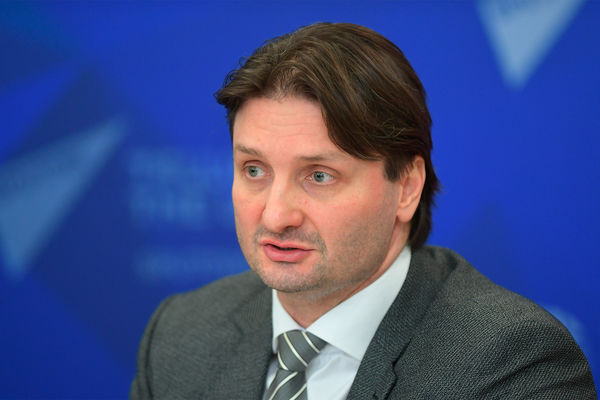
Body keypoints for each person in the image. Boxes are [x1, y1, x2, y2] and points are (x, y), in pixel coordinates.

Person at [130, 22, 596, 399]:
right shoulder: (180, 333)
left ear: (406, 187)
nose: (275, 217)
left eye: (319, 176)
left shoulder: (511, 363)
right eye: (254, 170)